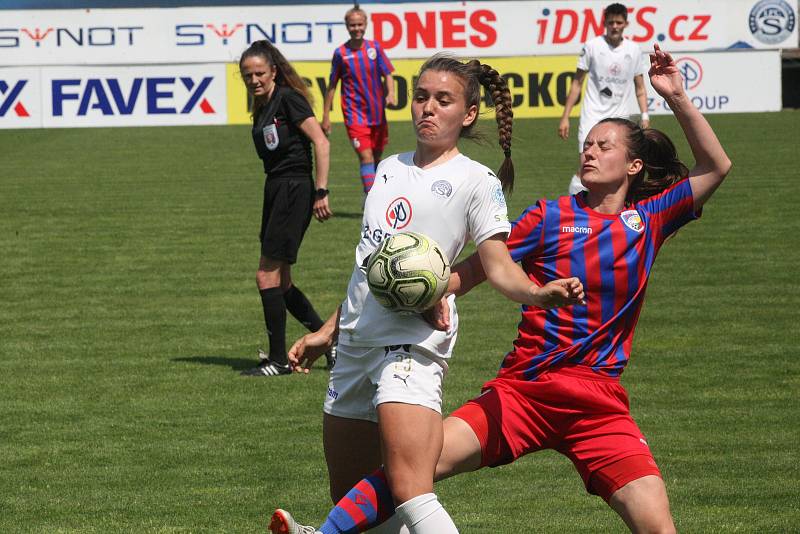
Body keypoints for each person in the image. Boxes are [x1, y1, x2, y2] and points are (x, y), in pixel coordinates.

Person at [270, 44, 731, 533]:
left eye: (604, 146)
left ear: (634, 166)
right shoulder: (549, 216)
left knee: (659, 528)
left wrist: (677, 96)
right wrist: (432, 291)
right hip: (524, 391)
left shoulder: (650, 220)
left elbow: (716, 166)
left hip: (598, 401)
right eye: (588, 144)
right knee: (413, 469)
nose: (589, 151)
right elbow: (481, 267)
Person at [268, 54, 585, 534]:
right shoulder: (389, 169)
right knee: (353, 501)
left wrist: (538, 294)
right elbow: (369, 268)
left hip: (410, 346)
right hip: (354, 343)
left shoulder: (477, 180)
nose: (427, 109)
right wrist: (326, 333)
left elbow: (497, 266)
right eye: (421, 97)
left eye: (443, 100)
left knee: (409, 487)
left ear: (469, 113)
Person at [238, 40, 335, 377]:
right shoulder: (261, 104)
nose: (254, 80)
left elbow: (320, 142)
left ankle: (278, 360)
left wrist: (321, 190)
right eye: (247, 75)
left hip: (294, 188)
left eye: (260, 73)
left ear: (274, 71)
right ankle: (332, 342)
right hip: (276, 189)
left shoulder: (288, 99)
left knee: (266, 275)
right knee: (281, 282)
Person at [559, 2, 650, 195]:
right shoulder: (592, 46)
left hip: (620, 117)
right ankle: (575, 205)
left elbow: (640, 87)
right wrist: (565, 116)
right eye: (611, 22)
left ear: (626, 23)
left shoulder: (634, 50)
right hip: (592, 115)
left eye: (618, 22)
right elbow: (577, 83)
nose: (615, 26)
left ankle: (614, 206)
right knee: (586, 163)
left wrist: (645, 115)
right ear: (605, 23)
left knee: (619, 166)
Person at [321, 4, 397, 196]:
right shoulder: (340, 53)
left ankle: (377, 196)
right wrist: (326, 117)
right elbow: (332, 86)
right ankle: (371, 198)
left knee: (377, 158)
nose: (356, 28)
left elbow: (388, 73)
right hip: (355, 114)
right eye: (352, 25)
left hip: (377, 112)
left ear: (365, 24)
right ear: (347, 26)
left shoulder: (375, 48)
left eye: (359, 24)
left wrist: (391, 93)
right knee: (366, 157)